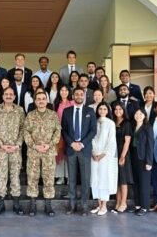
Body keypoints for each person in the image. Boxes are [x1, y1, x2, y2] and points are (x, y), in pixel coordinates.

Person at [0, 87, 25, 216]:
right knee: (2, 176)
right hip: (1, 150)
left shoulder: (19, 110)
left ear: (14, 97)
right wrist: (1, 144)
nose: (9, 96)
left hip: (15, 150)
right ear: (3, 96)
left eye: (11, 94)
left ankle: (16, 203)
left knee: (15, 176)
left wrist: (18, 144)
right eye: (6, 94)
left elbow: (23, 129)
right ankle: (0, 203)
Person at [24, 92, 61, 217]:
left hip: (48, 152)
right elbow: (26, 132)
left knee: (49, 178)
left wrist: (49, 144)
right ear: (35, 101)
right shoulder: (30, 115)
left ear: (47, 101)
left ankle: (48, 205)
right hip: (34, 151)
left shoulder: (53, 115)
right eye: (38, 99)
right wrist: (35, 146)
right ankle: (33, 205)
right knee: (32, 177)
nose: (41, 101)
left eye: (43, 99)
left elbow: (57, 131)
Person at [62, 87, 97, 216]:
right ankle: (71, 205)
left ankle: (84, 205)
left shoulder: (90, 111)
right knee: (71, 178)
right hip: (71, 149)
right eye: (76, 94)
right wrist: (72, 143)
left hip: (84, 149)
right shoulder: (67, 111)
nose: (78, 96)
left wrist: (81, 144)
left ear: (84, 96)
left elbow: (93, 130)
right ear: (73, 96)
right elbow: (63, 130)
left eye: (81, 94)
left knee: (85, 178)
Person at [90, 102, 117, 216]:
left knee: (104, 179)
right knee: (95, 179)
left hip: (105, 156)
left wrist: (102, 154)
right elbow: (90, 137)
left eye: (104, 109)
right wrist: (92, 152)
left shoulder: (111, 123)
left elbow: (111, 141)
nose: (102, 111)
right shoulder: (93, 122)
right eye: (100, 108)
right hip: (93, 155)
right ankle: (98, 204)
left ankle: (104, 206)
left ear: (108, 111)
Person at [111, 102, 134, 214]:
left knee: (123, 179)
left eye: (120, 109)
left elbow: (127, 141)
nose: (118, 111)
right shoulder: (113, 122)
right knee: (117, 179)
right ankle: (118, 202)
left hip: (122, 153)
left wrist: (122, 156)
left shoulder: (127, 123)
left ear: (124, 110)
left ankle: (124, 203)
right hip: (113, 153)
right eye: (116, 109)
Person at [131, 108, 154, 216]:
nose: (138, 115)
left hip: (144, 158)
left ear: (144, 116)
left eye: (141, 114)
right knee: (136, 182)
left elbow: (150, 145)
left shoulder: (147, 128)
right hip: (134, 157)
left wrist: (149, 162)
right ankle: (138, 205)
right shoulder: (133, 127)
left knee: (144, 184)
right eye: (137, 113)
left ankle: (145, 207)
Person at [54, 85, 74, 185]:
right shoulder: (57, 103)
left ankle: (70, 177)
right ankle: (61, 177)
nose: (64, 92)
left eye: (66, 90)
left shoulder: (72, 103)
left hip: (70, 132)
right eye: (62, 90)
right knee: (60, 155)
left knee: (69, 155)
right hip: (59, 133)